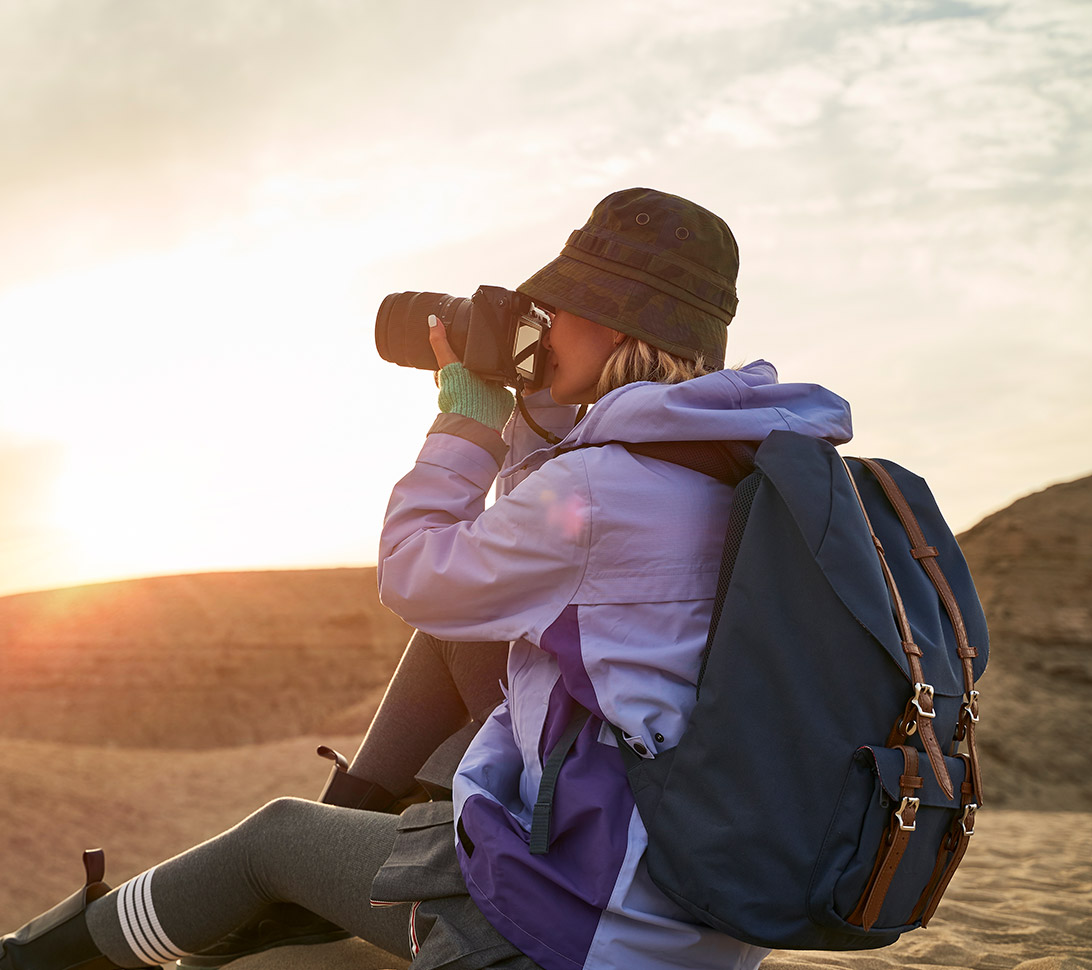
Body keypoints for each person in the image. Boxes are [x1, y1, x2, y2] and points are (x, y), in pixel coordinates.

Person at [0, 187, 852, 970]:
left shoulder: (602, 489)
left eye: (560, 312)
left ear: (617, 324)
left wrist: (464, 419)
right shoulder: (742, 463)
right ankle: (361, 833)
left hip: (589, 927)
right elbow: (523, 564)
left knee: (276, 838)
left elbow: (416, 572)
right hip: (696, 900)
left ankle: (33, 956)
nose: (544, 327)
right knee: (465, 626)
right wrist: (542, 406)